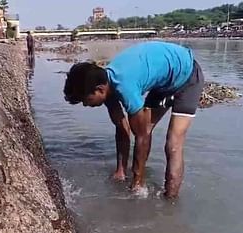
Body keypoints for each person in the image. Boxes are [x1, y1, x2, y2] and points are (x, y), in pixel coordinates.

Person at [63, 41, 204, 198]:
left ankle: (170, 201)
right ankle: (132, 175)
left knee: (173, 143)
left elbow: (141, 136)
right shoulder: (107, 85)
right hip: (163, 84)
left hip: (187, 75)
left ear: (99, 89)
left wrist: (137, 182)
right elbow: (122, 128)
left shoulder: (125, 87)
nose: (85, 105)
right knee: (145, 130)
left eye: (85, 100)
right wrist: (120, 171)